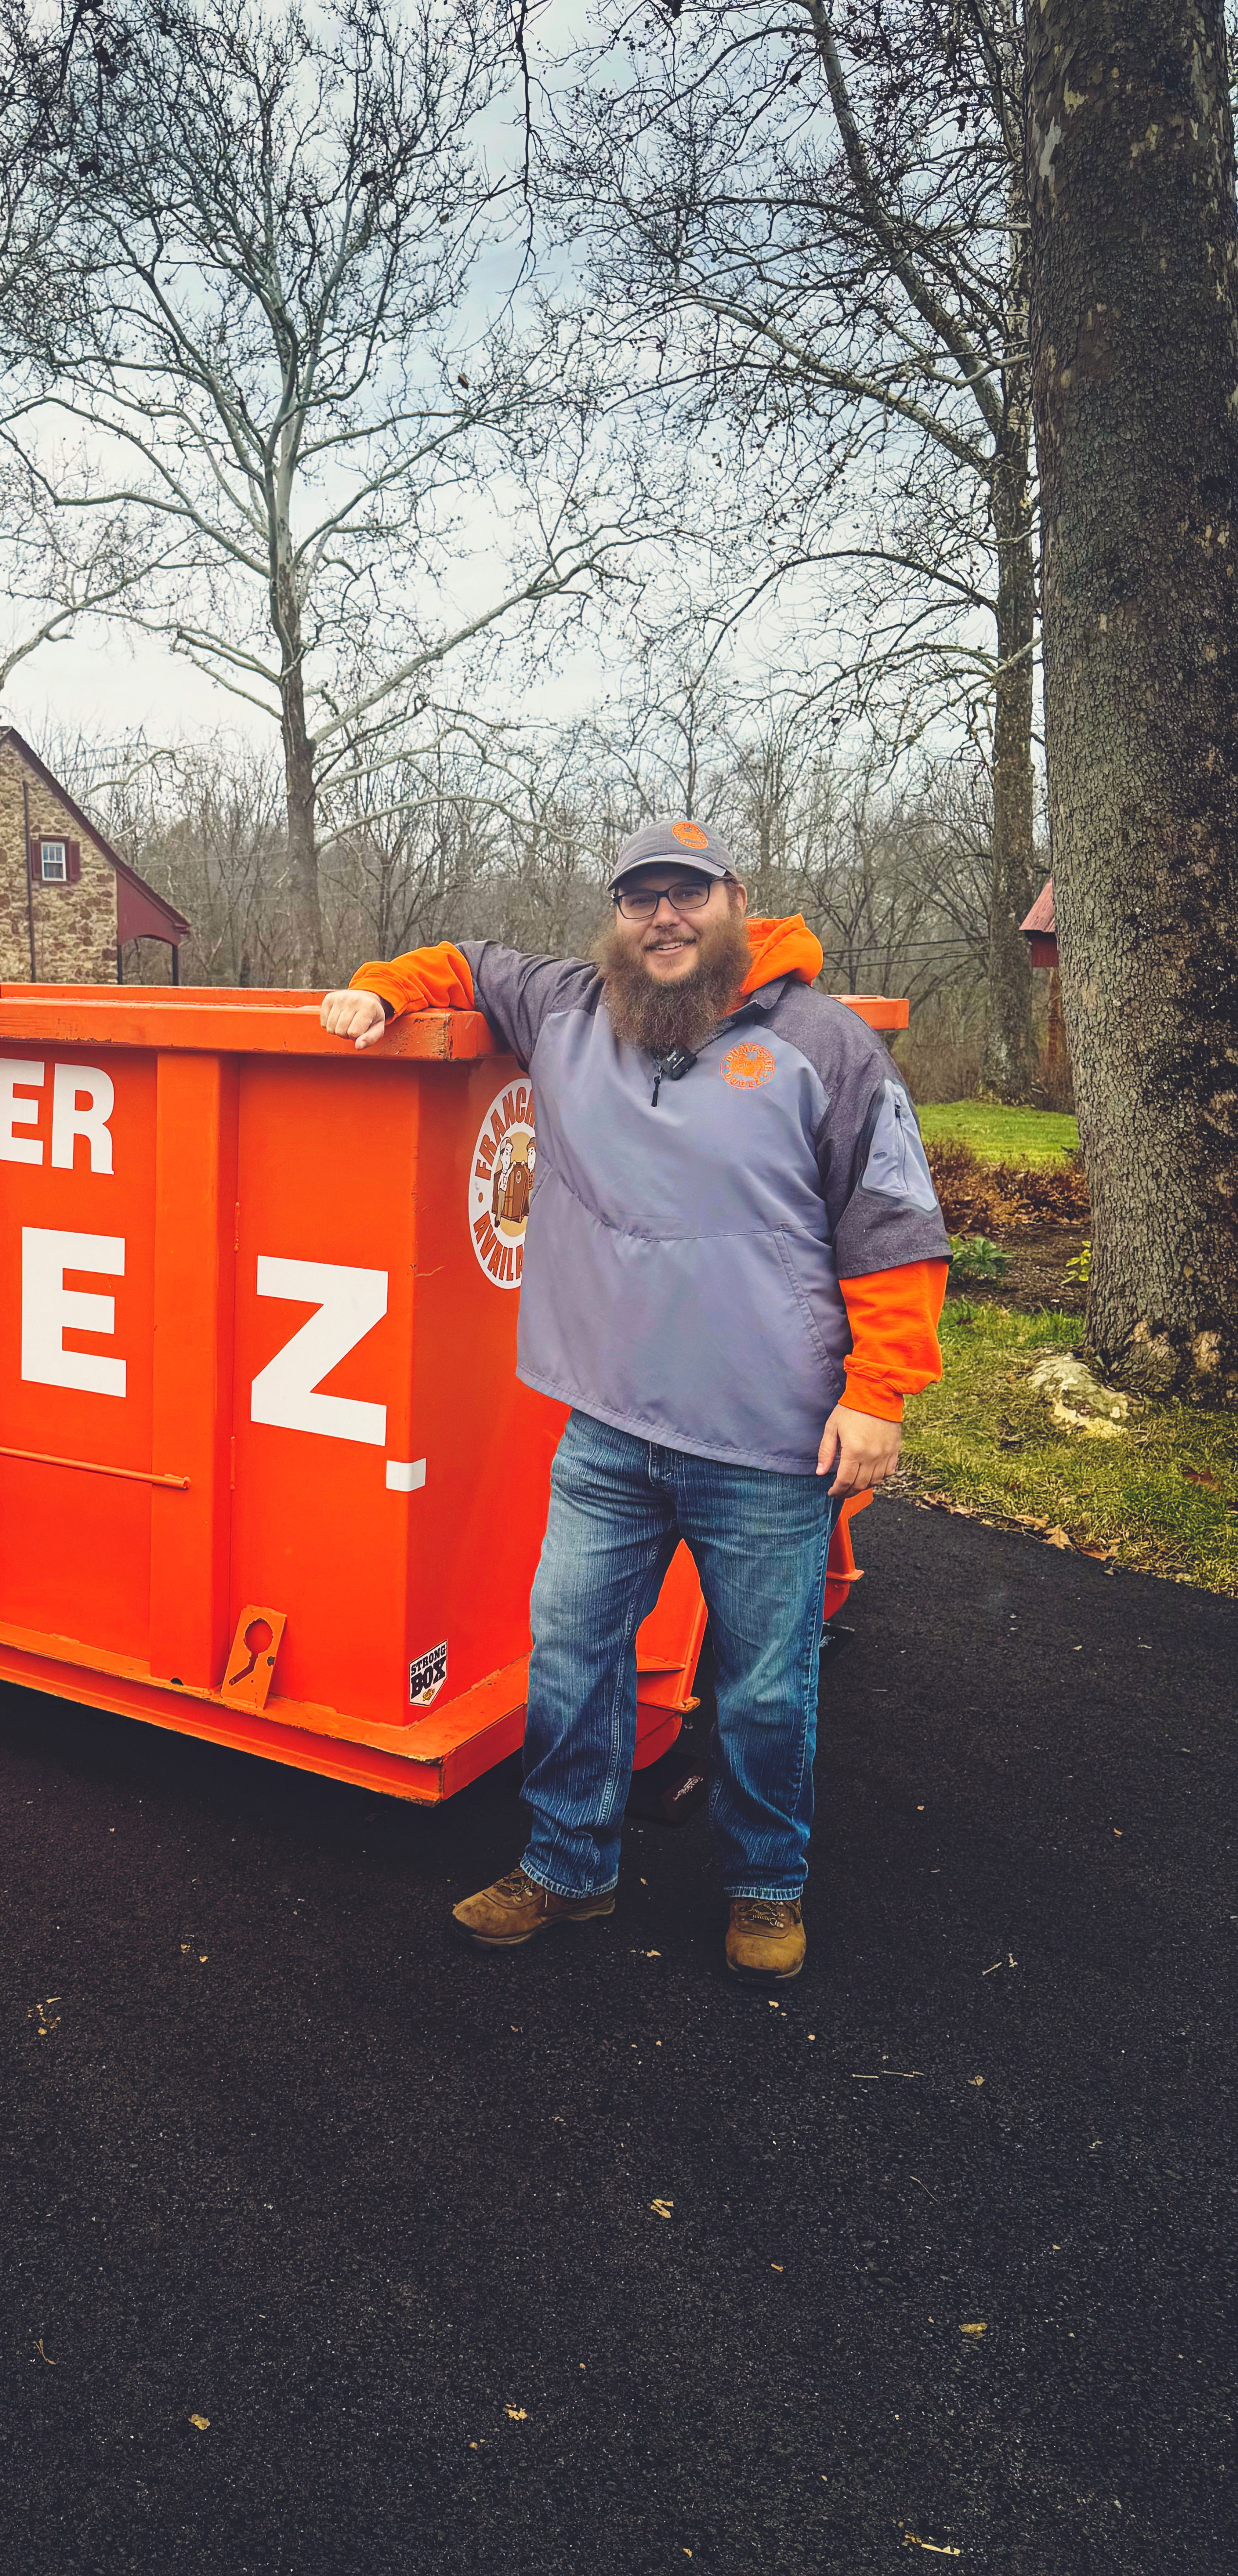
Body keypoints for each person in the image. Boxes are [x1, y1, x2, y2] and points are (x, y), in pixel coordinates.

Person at [318, 818, 948, 1982]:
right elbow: (465, 963)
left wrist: (881, 1394)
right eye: (641, 898)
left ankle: (766, 1888)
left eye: (687, 894)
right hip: (608, 1430)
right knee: (571, 1655)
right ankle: (567, 1869)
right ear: (616, 918)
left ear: (735, 903)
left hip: (768, 1442)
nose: (665, 917)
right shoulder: (571, 1011)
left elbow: (893, 1228)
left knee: (766, 1689)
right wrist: (381, 987)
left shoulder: (824, 1045)